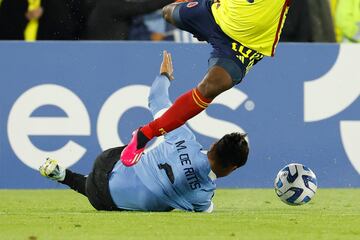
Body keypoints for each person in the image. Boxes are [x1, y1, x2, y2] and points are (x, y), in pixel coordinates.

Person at [39, 51, 249, 212]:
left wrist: (164, 76)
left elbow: (156, 99)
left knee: (134, 162)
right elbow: (207, 210)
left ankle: (67, 174)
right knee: (133, 195)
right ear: (232, 168)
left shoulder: (183, 137)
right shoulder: (203, 194)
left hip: (106, 163)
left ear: (213, 145)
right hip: (102, 199)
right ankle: (66, 177)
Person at [120, 0, 291, 166]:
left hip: (243, 44)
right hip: (214, 14)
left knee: (212, 86)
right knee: (168, 12)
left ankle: (144, 135)